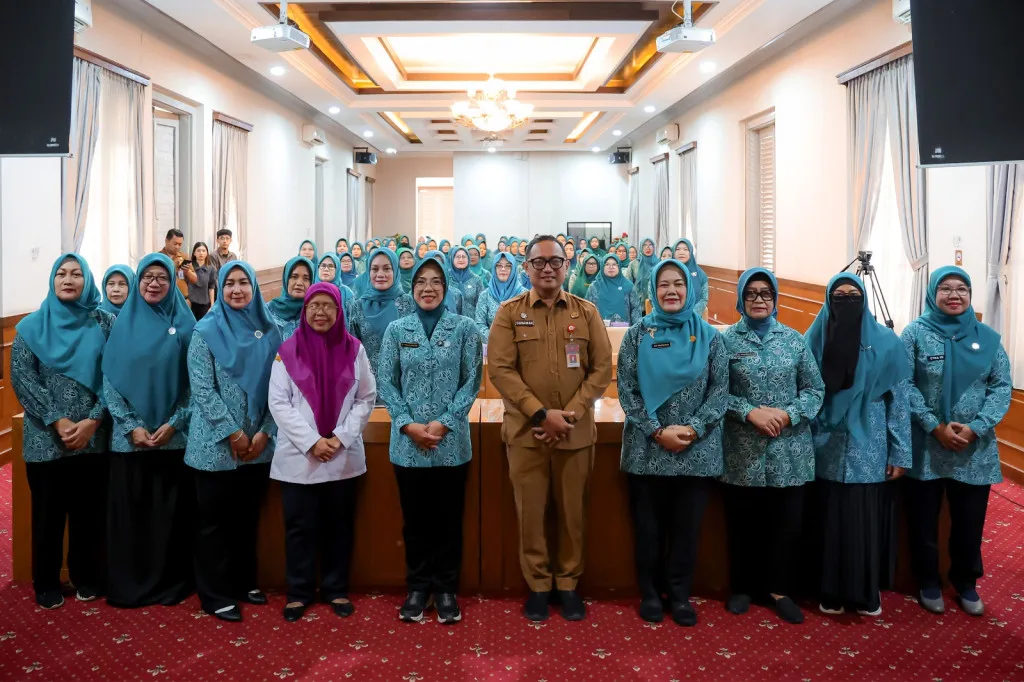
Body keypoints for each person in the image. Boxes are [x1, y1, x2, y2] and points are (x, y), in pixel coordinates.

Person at [488, 236, 613, 622]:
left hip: (574, 435)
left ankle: (568, 584)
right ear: (526, 267)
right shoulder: (509, 313)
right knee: (531, 514)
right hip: (528, 435)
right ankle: (539, 585)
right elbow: (501, 371)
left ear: (566, 266)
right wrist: (542, 415)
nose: (547, 268)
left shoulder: (586, 311)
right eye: (538, 262)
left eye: (555, 261)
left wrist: (569, 415)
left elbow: (601, 370)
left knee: (573, 514)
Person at [617, 259, 727, 626]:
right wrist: (656, 431)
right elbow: (627, 390)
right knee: (648, 528)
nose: (671, 291)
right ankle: (649, 592)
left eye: (678, 283)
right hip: (647, 450)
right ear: (653, 291)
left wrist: (692, 429)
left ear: (689, 288)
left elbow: (719, 393)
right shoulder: (636, 335)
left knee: (686, 529)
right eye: (663, 284)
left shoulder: (712, 337)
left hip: (696, 451)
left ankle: (679, 595)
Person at [901, 266, 1012, 617]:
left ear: (970, 294)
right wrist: (934, 426)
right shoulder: (915, 334)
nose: (954, 295)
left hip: (973, 450)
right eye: (945, 288)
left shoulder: (988, 338)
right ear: (932, 293)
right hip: (927, 446)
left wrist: (976, 427)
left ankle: (966, 582)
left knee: (969, 522)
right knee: (923, 521)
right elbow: (903, 385)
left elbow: (1000, 387)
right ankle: (928, 580)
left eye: (961, 288)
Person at [378, 257, 482, 624]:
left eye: (436, 281)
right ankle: (418, 587)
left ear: (446, 286)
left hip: (451, 445)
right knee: (416, 521)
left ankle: (447, 588)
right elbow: (386, 382)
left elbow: (472, 381)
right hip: (407, 445)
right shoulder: (397, 330)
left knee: (449, 521)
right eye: (421, 281)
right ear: (412, 287)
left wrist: (444, 423)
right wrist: (408, 425)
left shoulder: (465, 328)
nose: (428, 288)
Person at [720, 268, 825, 625]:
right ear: (740, 299)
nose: (759, 299)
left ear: (775, 298)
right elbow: (716, 392)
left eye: (766, 293)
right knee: (743, 522)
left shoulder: (794, 340)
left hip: (788, 450)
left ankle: (781, 590)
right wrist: (749, 412)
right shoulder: (726, 342)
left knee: (786, 523)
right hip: (742, 449)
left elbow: (815, 390)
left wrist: (787, 414)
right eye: (751, 293)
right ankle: (742, 587)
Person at [269, 283, 377, 622]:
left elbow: (366, 398)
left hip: (342, 456)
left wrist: (340, 438)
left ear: (338, 310)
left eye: (327, 306)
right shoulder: (286, 351)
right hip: (300, 458)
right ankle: (299, 592)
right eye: (314, 305)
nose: (320, 312)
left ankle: (335, 589)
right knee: (299, 527)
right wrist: (313, 441)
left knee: (338, 526)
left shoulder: (354, 349)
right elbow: (279, 403)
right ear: (304, 310)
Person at [11, 254, 114, 608]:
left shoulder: (104, 323)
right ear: (52, 280)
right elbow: (24, 380)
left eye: (76, 274)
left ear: (88, 280)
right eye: (61, 274)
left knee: (89, 514)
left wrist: (94, 420)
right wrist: (58, 420)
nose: (68, 279)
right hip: (45, 439)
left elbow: (114, 375)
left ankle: (86, 576)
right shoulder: (29, 327)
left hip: (93, 436)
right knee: (47, 515)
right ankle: (46, 583)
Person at [806, 272, 911, 618]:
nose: (847, 302)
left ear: (864, 301)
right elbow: (802, 393)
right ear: (828, 301)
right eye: (839, 297)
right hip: (824, 442)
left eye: (854, 296)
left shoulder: (887, 343)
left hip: (870, 443)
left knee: (863, 517)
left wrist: (900, 452)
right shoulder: (813, 339)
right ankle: (829, 591)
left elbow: (900, 402)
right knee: (829, 516)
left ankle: (866, 593)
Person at [185, 262, 282, 622]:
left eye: (244, 283)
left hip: (258, 446)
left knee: (245, 519)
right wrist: (235, 433)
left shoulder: (271, 331)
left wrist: (264, 433)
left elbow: (281, 390)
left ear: (255, 288)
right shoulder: (204, 331)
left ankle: (243, 582)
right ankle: (214, 593)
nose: (237, 290)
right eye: (230, 284)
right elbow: (203, 390)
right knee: (214, 523)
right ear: (220, 289)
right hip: (215, 447)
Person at [103, 253, 195, 608]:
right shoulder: (122, 326)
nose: (154, 283)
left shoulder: (187, 327)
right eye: (147, 277)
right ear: (138, 283)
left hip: (174, 440)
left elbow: (195, 384)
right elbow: (109, 379)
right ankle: (131, 584)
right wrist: (130, 426)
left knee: (169, 517)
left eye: (162, 277)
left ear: (173, 283)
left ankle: (170, 583)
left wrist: (174, 424)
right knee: (133, 516)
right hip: (131, 442)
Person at [347, 249, 414, 376]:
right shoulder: (358, 306)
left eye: (387, 269)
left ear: (395, 270)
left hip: (404, 383)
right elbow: (352, 351)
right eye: (375, 269)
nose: (380, 274)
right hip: (368, 385)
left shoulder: (409, 304)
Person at [475, 252, 524, 343]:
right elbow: (479, 324)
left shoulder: (524, 295)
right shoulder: (485, 295)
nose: (503, 269)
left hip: (520, 347)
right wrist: (497, 339)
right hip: (493, 348)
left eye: (508, 266)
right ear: (494, 268)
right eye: (499, 265)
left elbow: (530, 323)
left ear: (513, 269)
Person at [268, 257, 314, 340]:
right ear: (286, 279)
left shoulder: (316, 312)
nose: (299, 283)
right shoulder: (268, 311)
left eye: (306, 278)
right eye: (294, 277)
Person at [585, 254, 637, 324]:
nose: (611, 267)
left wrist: (634, 332)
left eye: (614, 264)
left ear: (619, 266)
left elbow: (636, 311)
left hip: (624, 331)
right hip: (599, 330)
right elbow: (587, 310)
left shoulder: (628, 286)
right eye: (607, 264)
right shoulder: (594, 287)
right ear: (602, 267)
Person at [672, 239, 709, 317]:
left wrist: (692, 314)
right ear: (673, 252)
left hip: (693, 318)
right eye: (678, 249)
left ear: (691, 252)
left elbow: (704, 298)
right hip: (671, 317)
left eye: (686, 249)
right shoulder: (666, 272)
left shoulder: (700, 274)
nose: (681, 252)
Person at [446, 246, 484, 320]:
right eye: (457, 257)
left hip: (472, 322)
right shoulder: (446, 278)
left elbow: (481, 305)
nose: (461, 259)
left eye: (463, 257)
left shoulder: (476, 279)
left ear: (468, 259)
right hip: (450, 322)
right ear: (452, 259)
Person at [160, 228, 195, 301]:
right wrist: (173, 266)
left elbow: (194, 279)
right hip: (164, 299)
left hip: (183, 299)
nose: (177, 247)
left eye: (180, 244)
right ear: (166, 241)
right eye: (175, 244)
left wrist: (187, 271)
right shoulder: (158, 257)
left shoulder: (184, 257)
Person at [186, 242, 217, 320]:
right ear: (194, 253)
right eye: (198, 250)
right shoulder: (188, 266)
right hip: (190, 303)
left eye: (203, 251)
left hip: (204, 304)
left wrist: (212, 305)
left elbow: (211, 287)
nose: (201, 253)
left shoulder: (211, 269)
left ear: (207, 253)